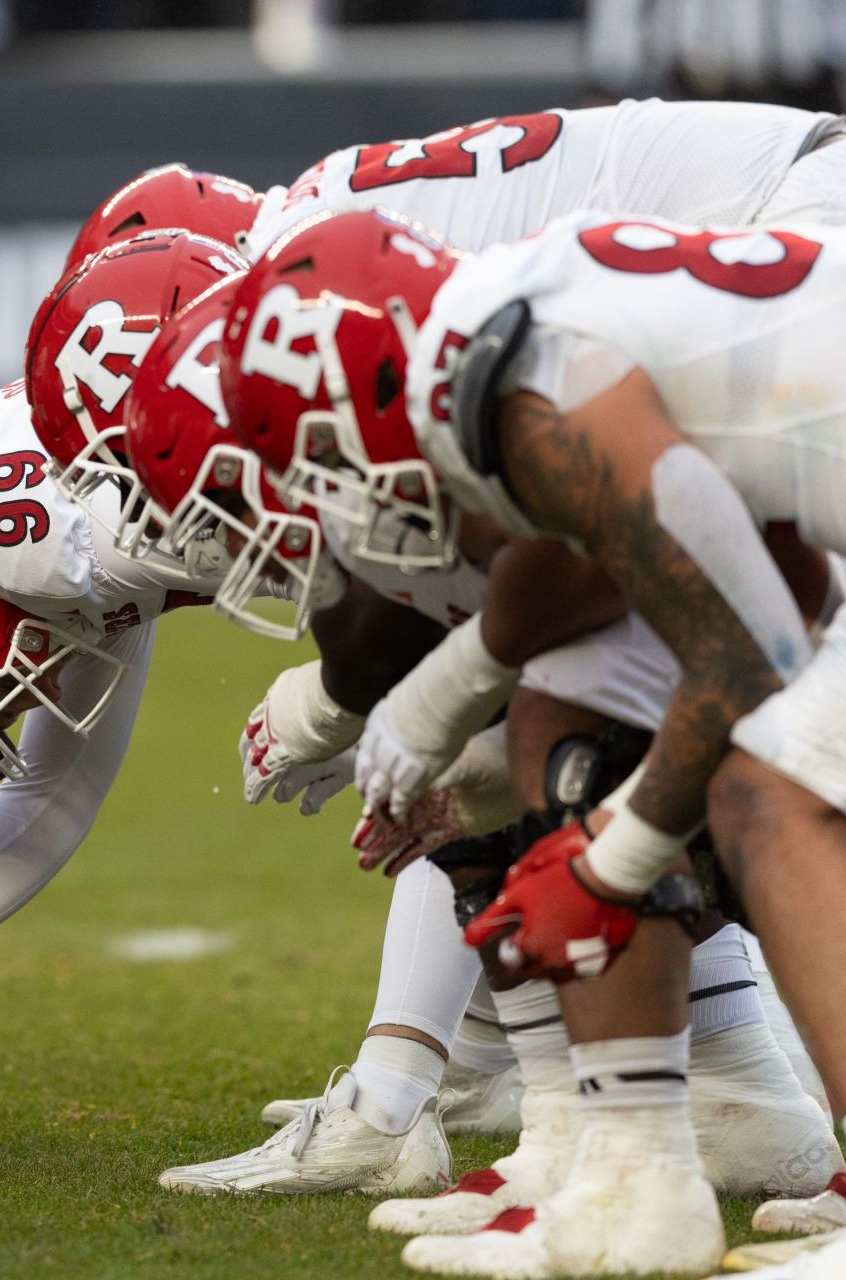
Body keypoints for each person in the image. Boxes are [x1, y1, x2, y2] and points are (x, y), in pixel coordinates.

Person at [215, 205, 846, 1276]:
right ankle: (631, 1180)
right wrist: (470, 722)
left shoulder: (539, 393)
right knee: (575, 708)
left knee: (768, 791)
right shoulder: (522, 326)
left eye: (319, 460)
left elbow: (755, 654)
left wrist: (615, 857)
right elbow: (785, 575)